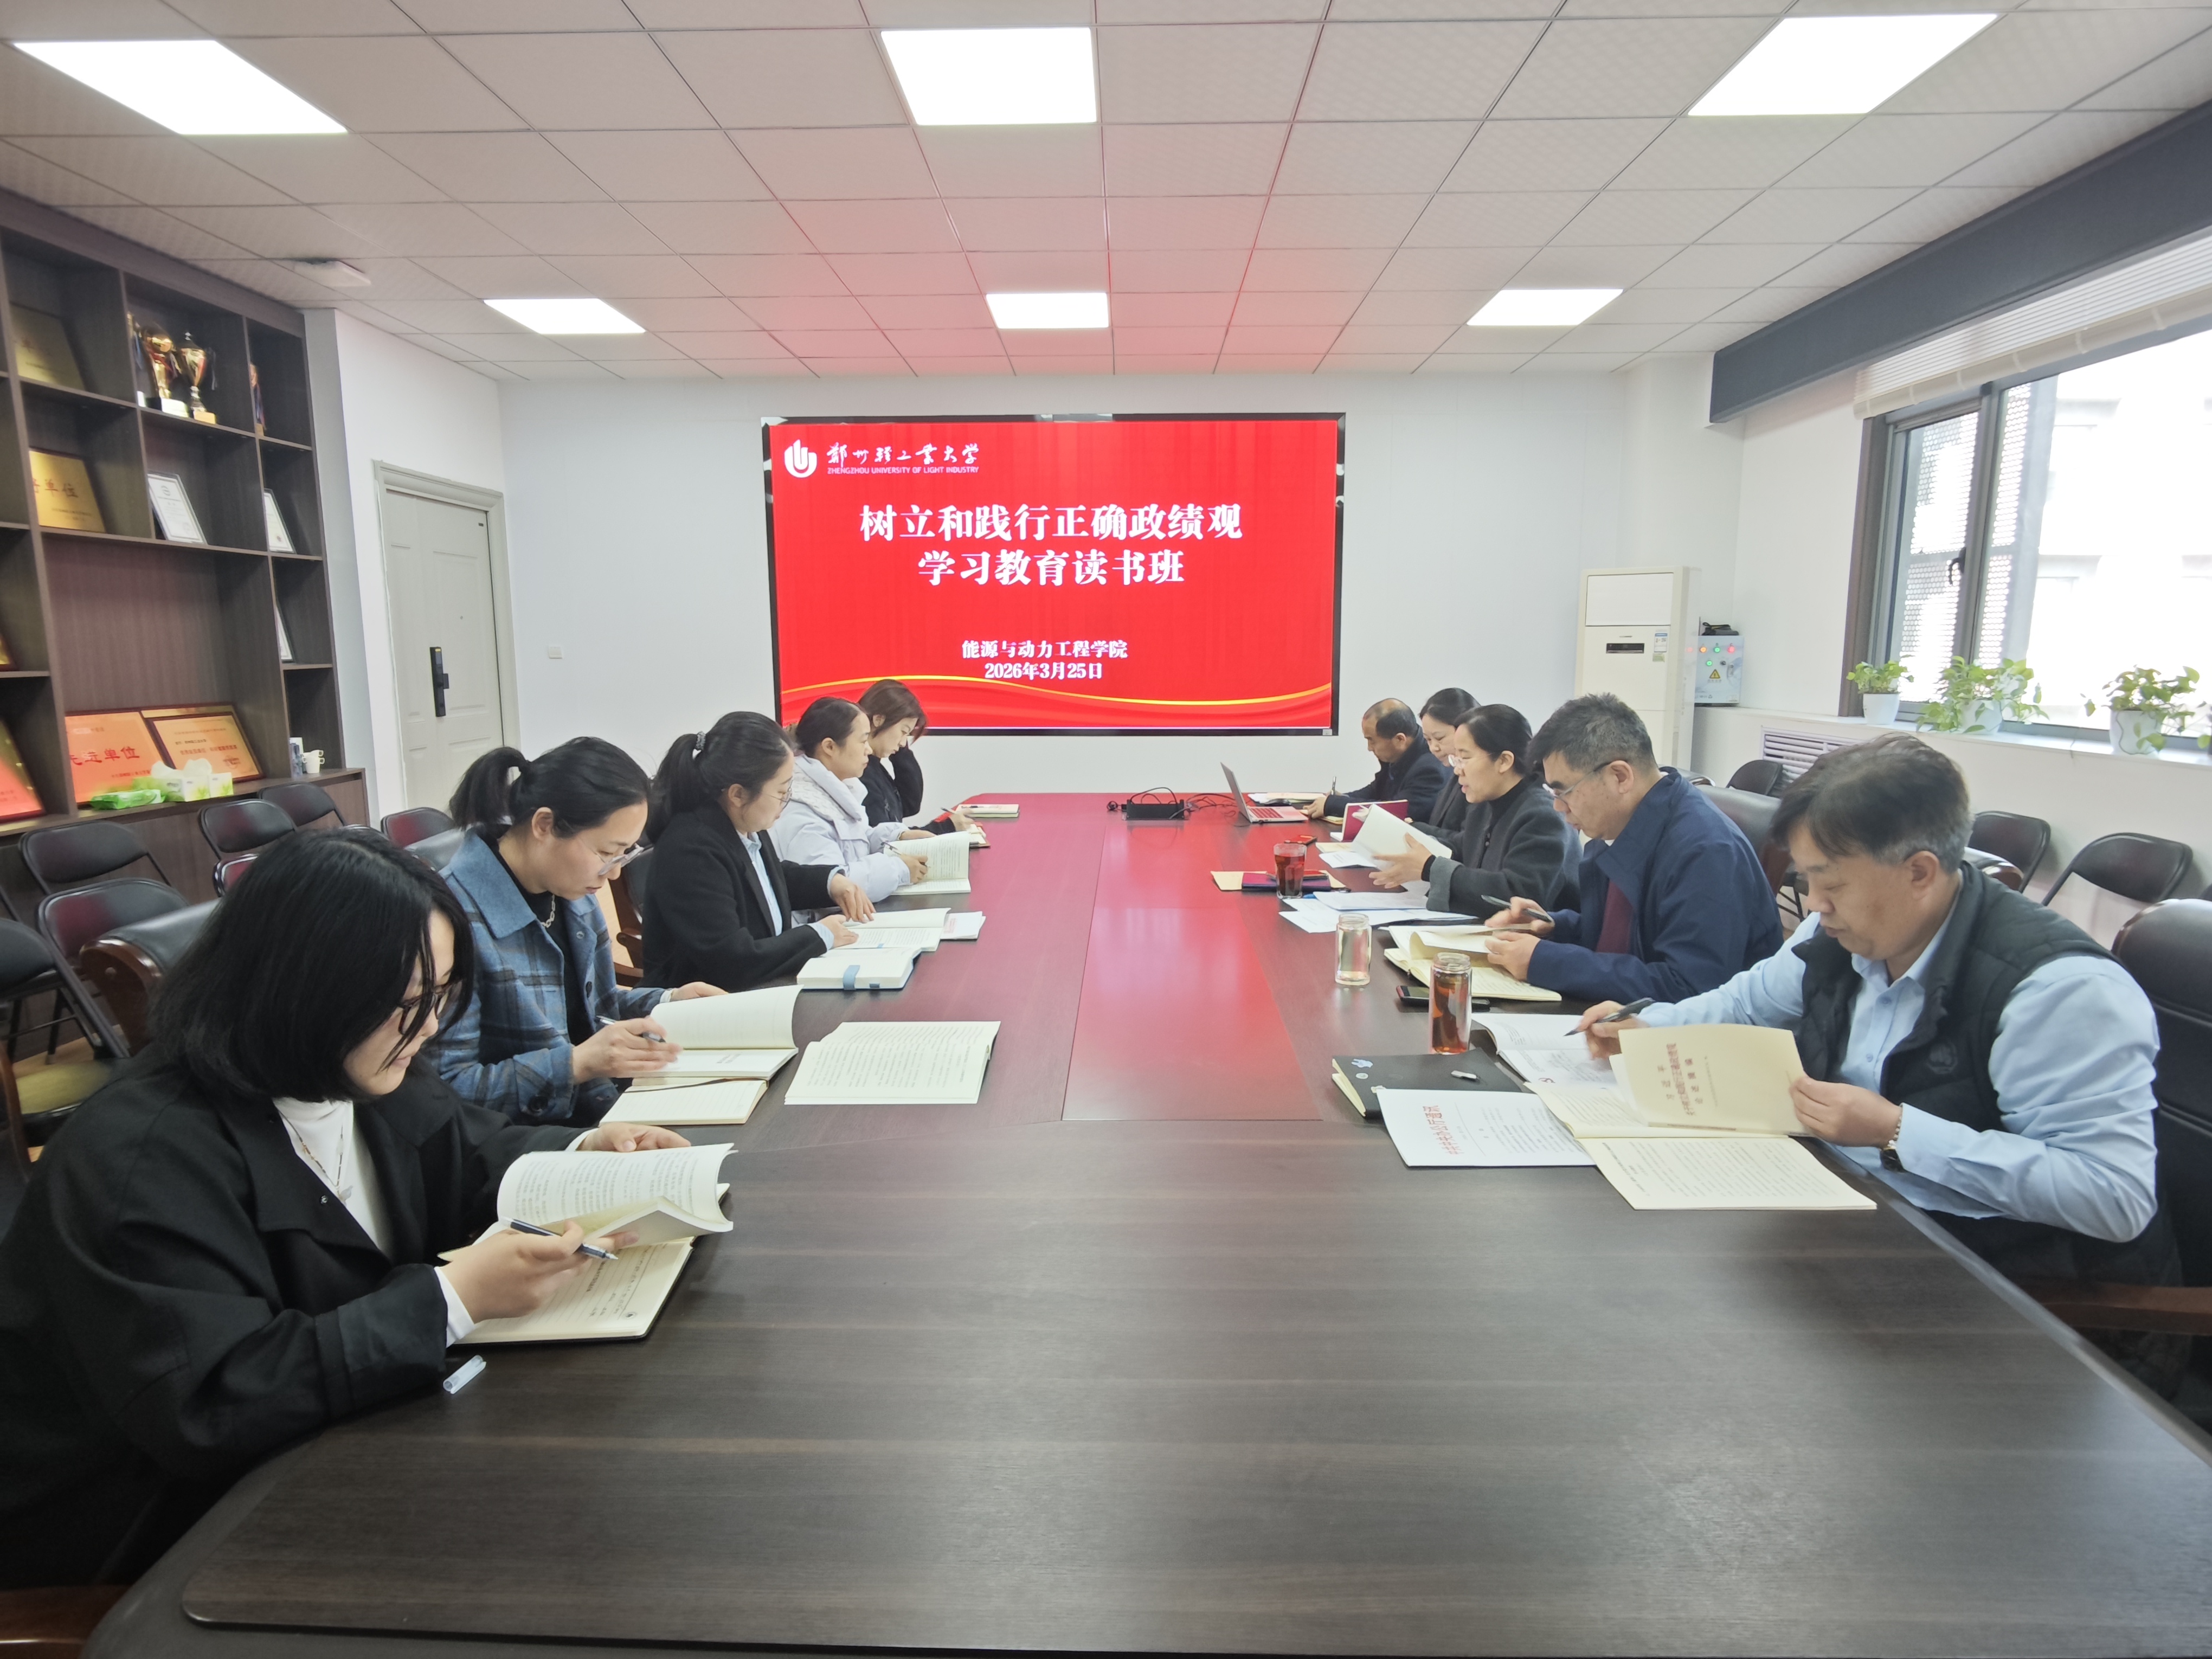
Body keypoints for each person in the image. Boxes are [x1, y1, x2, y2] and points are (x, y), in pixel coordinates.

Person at [0, 828, 691, 1587]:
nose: (432, 1026)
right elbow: (213, 1405)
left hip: (335, 1445)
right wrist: (452, 1300)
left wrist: (586, 1153)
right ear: (304, 990)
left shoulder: (356, 1063)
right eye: (410, 1002)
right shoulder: (139, 1161)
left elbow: (466, 1148)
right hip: (157, 1534)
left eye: (442, 994)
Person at [1575, 735, 2182, 1392]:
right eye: (1806, 881)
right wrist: (1646, 1026)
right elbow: (1748, 1002)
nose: (1815, 905)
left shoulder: (2058, 992)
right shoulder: (1840, 932)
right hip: (1851, 1234)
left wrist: (1897, 1131)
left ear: (1919, 872)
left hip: (2011, 1304)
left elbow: (2113, 1196)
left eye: (1831, 883)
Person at [425, 740, 725, 1127]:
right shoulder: (452, 923)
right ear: (544, 825)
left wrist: (670, 1001)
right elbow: (448, 1089)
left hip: (605, 1107)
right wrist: (575, 1064)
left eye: (624, 855)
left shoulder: (571, 894)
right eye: (606, 853)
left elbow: (592, 1008)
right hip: (532, 1140)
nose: (613, 874)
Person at [1483, 693, 1781, 1001]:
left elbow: (1690, 987)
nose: (1559, 807)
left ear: (1620, 776)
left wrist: (1547, 962)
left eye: (1564, 792)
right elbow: (1621, 934)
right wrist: (1552, 926)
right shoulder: (1621, 825)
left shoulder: (1705, 851)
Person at [641, 712, 869, 992]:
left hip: (762, 987)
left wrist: (830, 882)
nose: (785, 801)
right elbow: (732, 961)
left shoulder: (742, 822)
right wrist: (819, 935)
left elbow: (766, 880)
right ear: (738, 794)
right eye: (781, 792)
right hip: (710, 1002)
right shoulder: (692, 850)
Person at [1373, 704, 1578, 917]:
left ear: (1504, 761)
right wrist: (1410, 838)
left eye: (1464, 758)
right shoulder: (1486, 804)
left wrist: (1430, 867)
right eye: (1456, 758)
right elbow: (1464, 846)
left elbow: (1517, 895)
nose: (1457, 769)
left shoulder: (1543, 815)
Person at [774, 697, 933, 905]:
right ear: (830, 747)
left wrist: (899, 836)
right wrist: (898, 870)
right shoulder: (801, 807)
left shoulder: (838, 786)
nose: (869, 750)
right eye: (863, 741)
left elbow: (857, 840)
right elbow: (833, 883)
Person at [1306, 698, 1452, 824]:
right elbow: (1376, 790)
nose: (1369, 748)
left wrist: (1335, 805)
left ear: (1399, 740)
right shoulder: (1401, 753)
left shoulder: (1430, 769)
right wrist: (1344, 798)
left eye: (1372, 740)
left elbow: (1395, 811)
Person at [856, 679, 970, 835]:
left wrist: (900, 750)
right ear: (878, 720)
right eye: (903, 732)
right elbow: (885, 838)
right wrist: (946, 828)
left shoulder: (875, 765)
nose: (903, 742)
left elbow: (910, 805)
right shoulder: (858, 771)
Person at [1413, 686, 1481, 840]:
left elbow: (1469, 840)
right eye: (1428, 740)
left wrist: (1415, 827)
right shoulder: (1455, 771)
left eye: (1440, 738)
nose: (1434, 748)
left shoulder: (1481, 779)